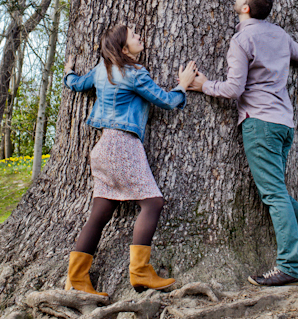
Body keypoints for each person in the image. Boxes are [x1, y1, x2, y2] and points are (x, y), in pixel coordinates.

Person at [188, 0, 298, 286]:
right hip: (284, 125)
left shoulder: (242, 40)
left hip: (260, 125)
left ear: (246, 7)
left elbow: (234, 89)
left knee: (274, 194)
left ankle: (289, 265)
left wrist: (203, 85)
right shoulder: (280, 36)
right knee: (280, 193)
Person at [63, 24, 198, 295]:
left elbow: (78, 84)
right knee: (152, 202)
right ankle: (140, 273)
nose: (140, 37)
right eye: (134, 37)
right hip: (123, 145)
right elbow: (167, 101)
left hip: (103, 147)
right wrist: (182, 85)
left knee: (100, 214)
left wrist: (67, 74)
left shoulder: (102, 70)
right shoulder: (135, 73)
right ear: (124, 49)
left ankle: (76, 279)